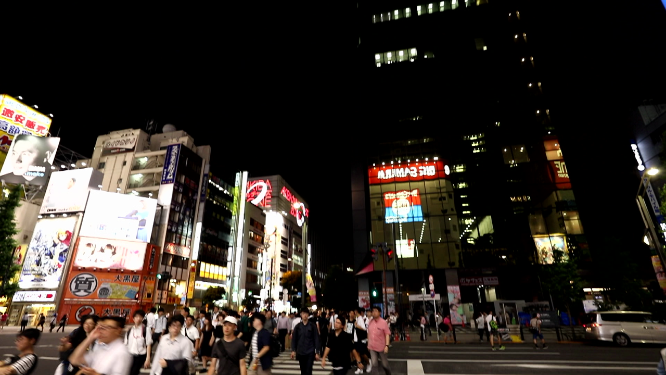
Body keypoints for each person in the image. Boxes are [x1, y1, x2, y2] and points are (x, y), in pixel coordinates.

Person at [291, 308, 320, 375]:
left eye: (306, 314)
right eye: (303, 314)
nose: (305, 315)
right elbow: (294, 339)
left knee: (308, 370)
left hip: (310, 351)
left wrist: (317, 352)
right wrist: (293, 350)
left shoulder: (312, 326)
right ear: (301, 315)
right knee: (303, 371)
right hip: (301, 351)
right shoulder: (298, 327)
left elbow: (316, 338)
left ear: (308, 315)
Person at [125, 310, 152, 375]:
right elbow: (125, 344)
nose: (138, 319)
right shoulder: (129, 330)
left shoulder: (146, 330)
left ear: (143, 318)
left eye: (140, 317)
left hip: (140, 357)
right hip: (130, 356)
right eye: (136, 317)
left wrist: (148, 359)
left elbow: (148, 344)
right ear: (133, 318)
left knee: (133, 372)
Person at [367, 306, 391, 375]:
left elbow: (387, 334)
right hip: (372, 347)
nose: (373, 313)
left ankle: (388, 373)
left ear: (379, 312)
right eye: (373, 311)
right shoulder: (370, 322)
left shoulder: (383, 322)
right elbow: (369, 333)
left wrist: (387, 345)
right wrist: (368, 344)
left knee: (385, 365)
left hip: (381, 347)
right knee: (374, 364)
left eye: (375, 311)